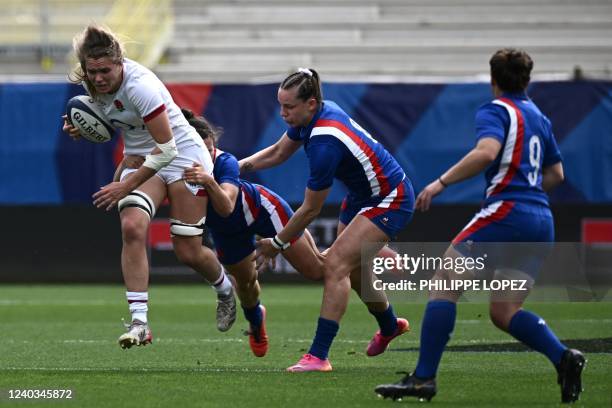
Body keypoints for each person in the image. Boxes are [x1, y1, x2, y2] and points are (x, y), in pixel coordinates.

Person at [374, 48, 585, 403]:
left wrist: (440, 183)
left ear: (493, 80)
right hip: (541, 221)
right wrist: (528, 192)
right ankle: (563, 356)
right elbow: (556, 174)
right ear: (527, 79)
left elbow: (487, 152)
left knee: (444, 282)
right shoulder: (539, 117)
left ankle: (423, 379)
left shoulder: (496, 110)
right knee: (504, 312)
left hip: (507, 212)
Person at [62, 24, 236, 349]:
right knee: (132, 227)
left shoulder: (140, 86)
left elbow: (168, 150)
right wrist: (79, 128)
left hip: (182, 155)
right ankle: (140, 322)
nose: (98, 78)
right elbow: (107, 120)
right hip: (142, 158)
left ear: (120, 62)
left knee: (188, 251)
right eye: (91, 72)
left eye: (105, 71)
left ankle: (225, 289)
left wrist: (122, 186)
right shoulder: (92, 85)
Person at [239, 68, 415, 372]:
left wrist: (277, 244)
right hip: (362, 197)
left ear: (310, 103)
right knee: (356, 273)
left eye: (289, 107)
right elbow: (280, 152)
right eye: (280, 106)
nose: (283, 114)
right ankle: (389, 326)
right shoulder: (316, 112)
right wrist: (236, 168)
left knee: (335, 266)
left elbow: (310, 210)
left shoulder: (324, 141)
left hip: (391, 199)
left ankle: (318, 356)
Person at [122, 108, 325, 357]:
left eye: (208, 150)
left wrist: (208, 180)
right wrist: (126, 163)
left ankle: (366, 269)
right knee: (246, 284)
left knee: (315, 270)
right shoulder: (172, 167)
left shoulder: (225, 161)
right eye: (198, 150)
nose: (204, 155)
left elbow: (227, 206)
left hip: (262, 211)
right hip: (227, 232)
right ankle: (255, 320)